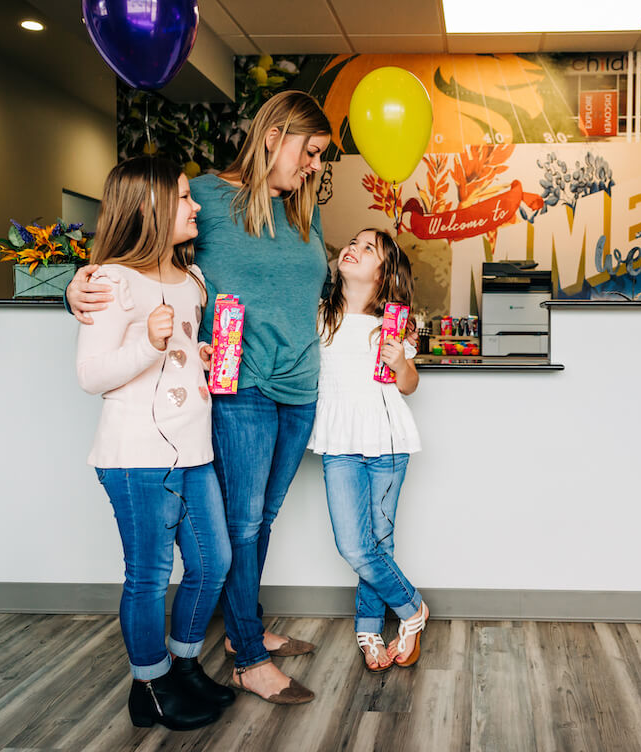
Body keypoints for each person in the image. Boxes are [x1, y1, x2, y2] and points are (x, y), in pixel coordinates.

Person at [67, 91, 332, 704]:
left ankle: (243, 631)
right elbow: (137, 251)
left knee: (258, 521)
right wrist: (76, 288)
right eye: (310, 151)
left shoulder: (303, 212)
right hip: (239, 389)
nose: (314, 166)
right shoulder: (205, 199)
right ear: (274, 136)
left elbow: (307, 291)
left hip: (299, 385)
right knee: (239, 524)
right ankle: (249, 657)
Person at [76, 156, 234, 731]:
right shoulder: (109, 281)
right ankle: (149, 685)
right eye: (186, 198)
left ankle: (183, 668)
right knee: (147, 575)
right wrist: (147, 342)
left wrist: (201, 358)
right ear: (150, 208)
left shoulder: (191, 280)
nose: (196, 208)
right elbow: (91, 375)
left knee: (212, 563)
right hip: (135, 457)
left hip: (193, 450)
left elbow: (179, 354)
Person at [309, 228, 429, 672]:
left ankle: (369, 628)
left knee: (379, 542)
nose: (353, 249)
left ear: (383, 274)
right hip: (338, 440)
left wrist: (402, 363)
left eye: (367, 248)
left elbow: (410, 386)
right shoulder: (320, 315)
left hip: (388, 441)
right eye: (352, 242)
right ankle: (413, 609)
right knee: (355, 546)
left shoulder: (393, 324)